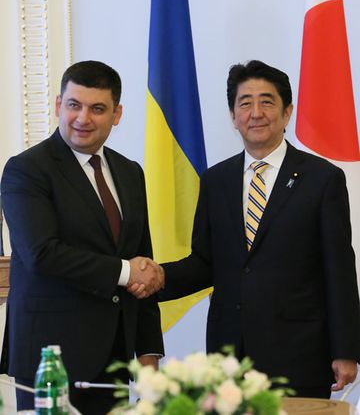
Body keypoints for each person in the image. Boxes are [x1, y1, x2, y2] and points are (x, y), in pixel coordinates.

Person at [129, 60, 360, 398]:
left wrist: (346, 350)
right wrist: (156, 277)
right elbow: (205, 263)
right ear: (233, 115)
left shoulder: (321, 179)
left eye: (267, 101)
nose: (256, 112)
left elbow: (338, 269)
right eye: (245, 102)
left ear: (287, 112)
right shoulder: (215, 181)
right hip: (229, 358)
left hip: (301, 354)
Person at [0, 60, 164, 414]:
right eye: (74, 105)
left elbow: (143, 268)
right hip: (50, 362)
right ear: (59, 105)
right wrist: (125, 272)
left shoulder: (130, 172)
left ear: (117, 114)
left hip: (115, 363)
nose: (83, 118)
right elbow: (41, 253)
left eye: (98, 109)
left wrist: (149, 361)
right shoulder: (27, 170)